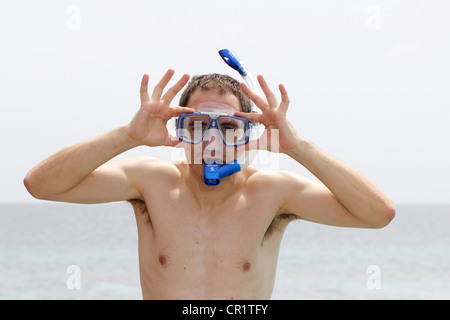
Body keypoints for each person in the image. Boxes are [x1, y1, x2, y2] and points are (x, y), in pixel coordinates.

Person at [24, 69, 395, 299]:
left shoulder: (274, 194)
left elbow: (378, 214)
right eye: (198, 126)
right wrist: (127, 136)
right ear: (179, 130)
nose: (212, 143)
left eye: (229, 127)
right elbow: (41, 185)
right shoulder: (150, 183)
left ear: (247, 132)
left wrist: (300, 148)